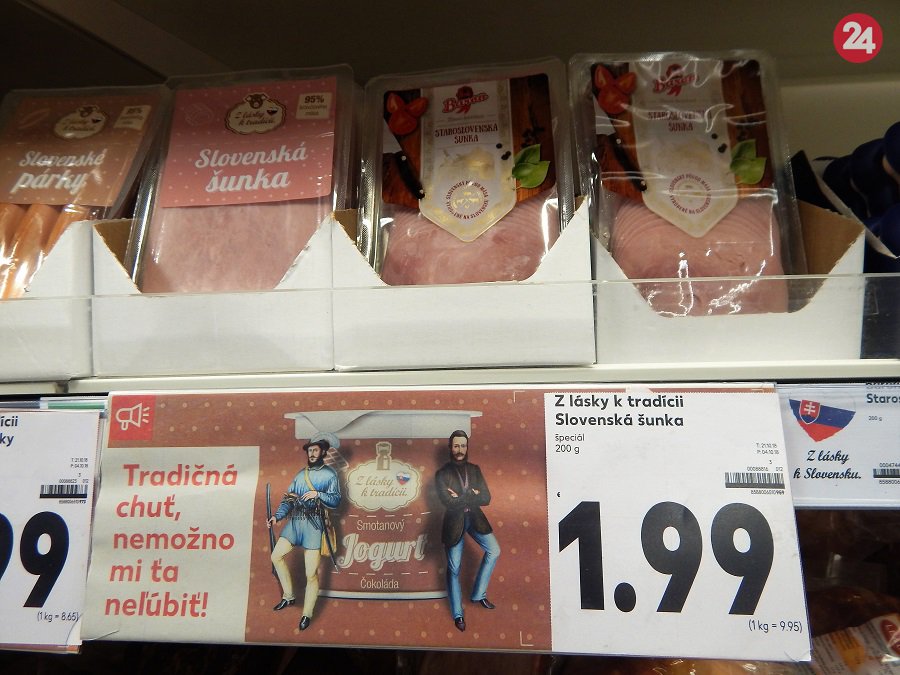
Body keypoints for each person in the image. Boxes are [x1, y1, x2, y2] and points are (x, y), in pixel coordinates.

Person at [268, 433, 341, 631]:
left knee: (311, 574)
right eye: (310, 450)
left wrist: (318, 494)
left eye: (315, 450)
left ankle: (306, 614)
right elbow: (288, 499)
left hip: (314, 525)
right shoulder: (301, 475)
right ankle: (288, 596)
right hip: (296, 522)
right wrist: (277, 517)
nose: (312, 453)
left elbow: (336, 500)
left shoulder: (330, 475)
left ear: (323, 452)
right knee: (276, 556)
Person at [434, 429, 500, 632]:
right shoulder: (442, 474)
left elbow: (486, 498)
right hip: (454, 523)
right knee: (454, 569)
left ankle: (479, 594)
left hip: (475, 519)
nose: (460, 449)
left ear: (467, 447)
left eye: (463, 445)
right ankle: (458, 614)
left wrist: (461, 496)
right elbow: (447, 502)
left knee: (494, 550)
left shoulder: (475, 470)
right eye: (456, 446)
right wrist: (472, 493)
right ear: (450, 447)